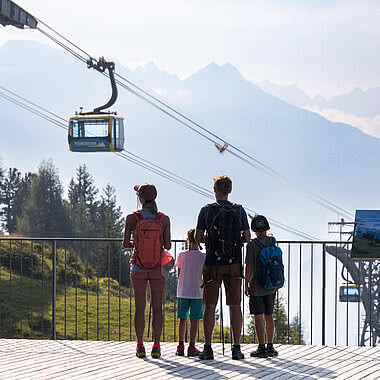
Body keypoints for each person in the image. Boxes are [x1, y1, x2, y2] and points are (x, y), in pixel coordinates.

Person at [195, 175, 250, 360]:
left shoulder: (206, 210)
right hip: (234, 263)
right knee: (235, 305)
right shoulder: (239, 210)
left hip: (212, 263)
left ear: (214, 189)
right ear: (230, 190)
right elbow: (248, 237)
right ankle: (236, 348)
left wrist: (209, 240)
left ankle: (208, 348)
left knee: (210, 305)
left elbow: (197, 237)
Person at [123, 184, 171, 359]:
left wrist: (138, 243)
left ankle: (140, 345)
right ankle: (157, 345)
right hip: (158, 267)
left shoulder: (132, 218)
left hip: (138, 267)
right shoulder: (163, 219)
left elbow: (125, 243)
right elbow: (167, 245)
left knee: (140, 307)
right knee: (157, 307)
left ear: (140, 198)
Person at [245, 215, 279, 358]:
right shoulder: (272, 241)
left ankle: (261, 347)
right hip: (271, 284)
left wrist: (245, 283)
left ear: (254, 230)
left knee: (258, 315)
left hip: (257, 285)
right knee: (269, 315)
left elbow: (249, 267)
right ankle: (271, 346)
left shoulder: (252, 245)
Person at [175, 228, 206, 357]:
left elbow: (179, 273)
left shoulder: (182, 255)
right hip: (197, 291)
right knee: (194, 320)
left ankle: (180, 345)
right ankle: (192, 346)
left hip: (183, 291)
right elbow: (205, 275)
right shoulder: (203, 256)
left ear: (187, 239)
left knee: (182, 319)